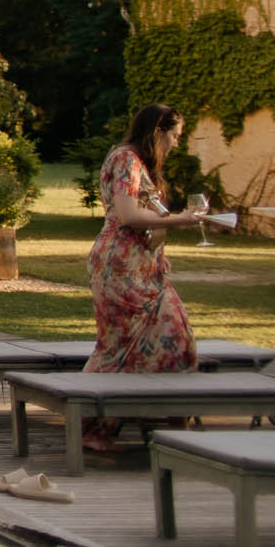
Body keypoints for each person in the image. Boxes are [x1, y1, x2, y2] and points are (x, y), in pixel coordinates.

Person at [82, 101, 215, 453]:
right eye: (173, 136)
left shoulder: (134, 160)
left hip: (142, 266)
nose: (175, 144)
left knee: (173, 338)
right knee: (119, 347)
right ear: (157, 131)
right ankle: (91, 428)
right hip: (121, 267)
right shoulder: (127, 159)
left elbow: (144, 214)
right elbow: (127, 215)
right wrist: (179, 220)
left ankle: (174, 429)